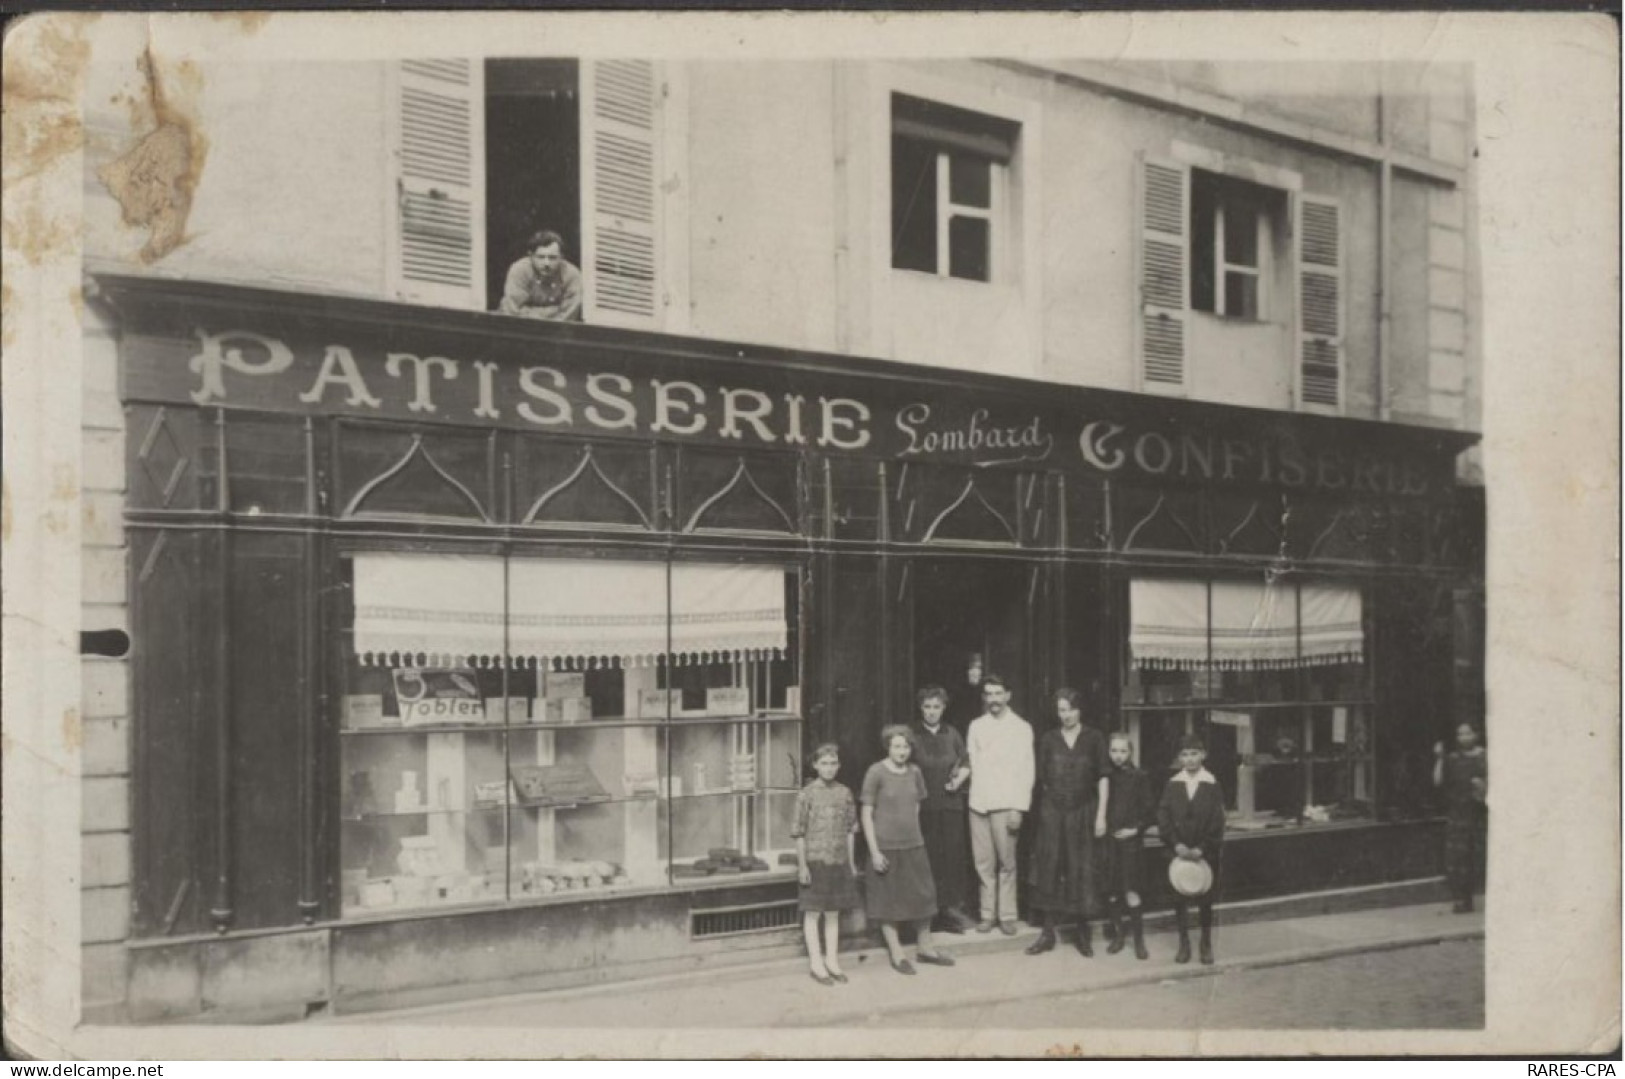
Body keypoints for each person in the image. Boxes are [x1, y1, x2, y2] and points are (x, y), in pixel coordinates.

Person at [861, 725, 956, 975]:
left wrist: (913, 833)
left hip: (913, 844)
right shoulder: (876, 772)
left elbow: (915, 805)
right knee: (888, 901)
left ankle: (926, 948)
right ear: (888, 747)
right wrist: (874, 851)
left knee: (924, 896)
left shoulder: (915, 771)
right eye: (896, 746)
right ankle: (897, 953)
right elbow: (866, 813)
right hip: (885, 847)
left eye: (905, 746)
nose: (902, 751)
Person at [1025, 688, 1110, 957]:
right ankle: (1047, 933)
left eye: (1071, 709)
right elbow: (1040, 779)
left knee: (1080, 869)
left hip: (1084, 811)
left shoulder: (1094, 738)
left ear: (1080, 710)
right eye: (1061, 710)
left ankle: (1082, 934)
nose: (1066, 715)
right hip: (1052, 812)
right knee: (1049, 867)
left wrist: (1101, 815)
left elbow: (1103, 777)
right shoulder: (1049, 739)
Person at [965, 674, 1035, 935]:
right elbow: (970, 763)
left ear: (1008, 695)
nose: (993, 699)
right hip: (979, 802)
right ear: (984, 697)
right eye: (989, 694)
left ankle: (1007, 915)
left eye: (998, 693)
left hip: (1007, 803)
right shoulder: (976, 726)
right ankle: (987, 914)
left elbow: (1027, 770)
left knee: (1007, 863)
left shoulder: (1021, 727)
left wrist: (1019, 807)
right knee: (983, 862)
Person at [908, 687, 977, 934]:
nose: (932, 712)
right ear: (921, 708)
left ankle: (947, 912)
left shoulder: (952, 734)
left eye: (936, 707)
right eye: (927, 707)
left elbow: (966, 762)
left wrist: (958, 781)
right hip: (924, 808)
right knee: (929, 859)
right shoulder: (912, 735)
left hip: (950, 805)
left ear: (943, 708)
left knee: (950, 859)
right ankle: (929, 915)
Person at [792, 743, 861, 985]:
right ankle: (816, 963)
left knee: (833, 913)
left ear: (839, 766)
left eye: (833, 763)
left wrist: (851, 864)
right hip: (814, 861)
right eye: (824, 763)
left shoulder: (845, 793)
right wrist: (802, 866)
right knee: (813, 913)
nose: (829, 768)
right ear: (815, 765)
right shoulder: (806, 794)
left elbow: (851, 830)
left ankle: (832, 961)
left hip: (838, 860)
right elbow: (799, 833)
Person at [1158, 733, 1226, 965]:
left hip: (1203, 853)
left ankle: (1205, 942)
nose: (1190, 759)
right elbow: (1164, 816)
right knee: (1180, 897)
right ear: (1179, 758)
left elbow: (1218, 820)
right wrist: (1175, 843)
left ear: (1203, 755)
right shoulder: (1173, 784)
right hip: (1178, 852)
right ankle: (1184, 942)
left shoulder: (1212, 784)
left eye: (1194, 753)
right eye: (1185, 755)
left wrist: (1203, 848)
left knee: (1206, 898)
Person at [1101, 731, 1157, 960]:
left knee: (1131, 892)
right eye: (1114, 750)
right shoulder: (1105, 777)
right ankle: (1119, 936)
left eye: (1123, 751)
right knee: (1113, 893)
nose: (1118, 756)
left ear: (1131, 752)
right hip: (1109, 842)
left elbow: (1150, 810)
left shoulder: (1139, 777)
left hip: (1131, 844)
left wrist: (1135, 829)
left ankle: (1139, 941)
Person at [1433, 722, 1488, 914]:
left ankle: (1470, 898)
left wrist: (1481, 785)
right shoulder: (1453, 758)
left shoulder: (1484, 757)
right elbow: (1439, 781)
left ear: (1476, 735)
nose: (1463, 738)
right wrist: (1439, 758)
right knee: (1456, 859)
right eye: (1460, 734)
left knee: (1474, 857)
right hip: (1457, 814)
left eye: (1467, 733)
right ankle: (1460, 899)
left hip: (1476, 814)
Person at [498, 230, 582, 321]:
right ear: (531, 256)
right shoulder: (519, 270)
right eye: (541, 257)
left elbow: (569, 315)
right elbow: (513, 311)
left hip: (557, 331)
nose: (546, 263)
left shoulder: (572, 274)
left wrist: (528, 312)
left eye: (552, 258)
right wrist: (554, 310)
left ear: (561, 257)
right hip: (518, 328)